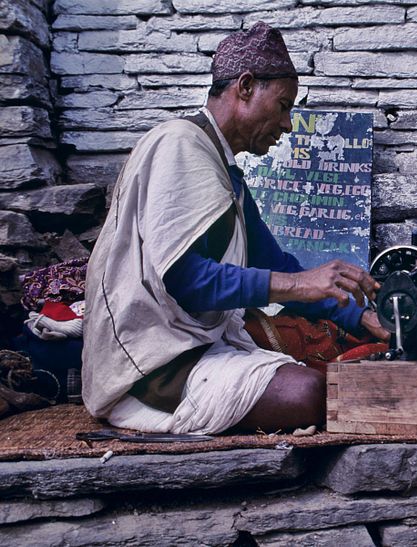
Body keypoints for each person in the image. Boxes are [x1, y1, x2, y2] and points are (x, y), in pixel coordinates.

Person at [82, 22, 388, 435]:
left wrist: (361, 317)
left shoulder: (227, 176)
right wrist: (299, 286)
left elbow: (275, 263)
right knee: (308, 392)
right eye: (283, 105)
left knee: (320, 364)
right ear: (245, 87)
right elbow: (184, 280)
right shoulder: (178, 142)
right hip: (154, 365)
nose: (288, 124)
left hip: (198, 347)